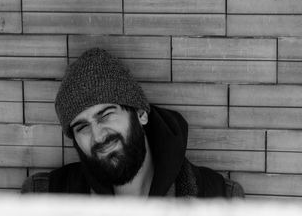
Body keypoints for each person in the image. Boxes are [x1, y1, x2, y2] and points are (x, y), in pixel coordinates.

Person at [22, 48, 244, 197]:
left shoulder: (218, 199)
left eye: (106, 115)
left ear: (140, 114)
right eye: (82, 127)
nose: (98, 135)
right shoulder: (44, 197)